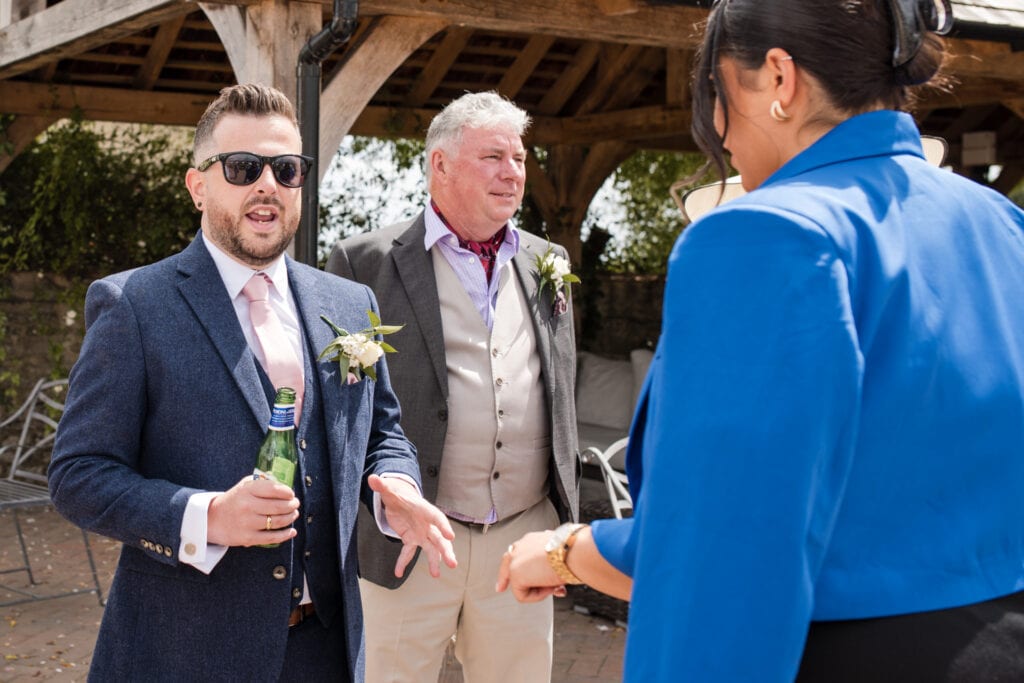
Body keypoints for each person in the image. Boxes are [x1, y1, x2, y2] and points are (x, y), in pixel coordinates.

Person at [497, 1, 1024, 680]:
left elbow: (722, 556)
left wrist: (568, 550)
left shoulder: (764, 236)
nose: (717, 128)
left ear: (779, 78)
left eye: (716, 92)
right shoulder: (1000, 224)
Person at [48, 83, 457, 683]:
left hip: (327, 647)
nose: (267, 184)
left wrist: (397, 484)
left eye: (286, 169)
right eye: (242, 168)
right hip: (186, 649)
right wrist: (207, 516)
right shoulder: (133, 304)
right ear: (198, 186)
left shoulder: (349, 302)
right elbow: (78, 475)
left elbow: (384, 432)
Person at [326, 90, 579, 682]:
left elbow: (559, 395)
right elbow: (341, 412)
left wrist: (564, 529)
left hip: (523, 532)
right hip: (408, 540)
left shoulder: (550, 262)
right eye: (494, 157)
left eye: (518, 158)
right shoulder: (364, 261)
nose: (513, 173)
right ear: (440, 165)